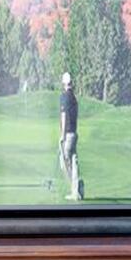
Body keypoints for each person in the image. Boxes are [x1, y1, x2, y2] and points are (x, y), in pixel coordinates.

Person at [57, 69, 81, 201]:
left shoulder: (64, 97)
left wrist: (62, 135)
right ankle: (78, 190)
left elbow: (64, 115)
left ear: (64, 83)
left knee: (65, 163)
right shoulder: (74, 97)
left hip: (68, 135)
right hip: (74, 133)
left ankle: (74, 191)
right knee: (73, 161)